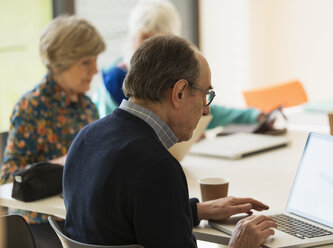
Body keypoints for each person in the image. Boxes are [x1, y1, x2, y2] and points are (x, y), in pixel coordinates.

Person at [64, 35, 276, 248]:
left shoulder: (86, 137)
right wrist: (240, 244)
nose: (206, 109)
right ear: (180, 92)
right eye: (205, 95)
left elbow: (122, 217)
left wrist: (195, 210)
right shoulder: (157, 167)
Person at [0, 16, 105, 248]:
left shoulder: (87, 105)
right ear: (60, 64)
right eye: (86, 62)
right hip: (42, 224)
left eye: (95, 60)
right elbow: (8, 178)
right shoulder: (31, 108)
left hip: (81, 216)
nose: (96, 69)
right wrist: (61, 163)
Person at [92, 0, 264, 130]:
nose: (151, 48)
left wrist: (250, 116)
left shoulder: (174, 73)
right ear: (133, 37)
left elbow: (199, 105)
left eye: (159, 41)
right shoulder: (113, 80)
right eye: (145, 38)